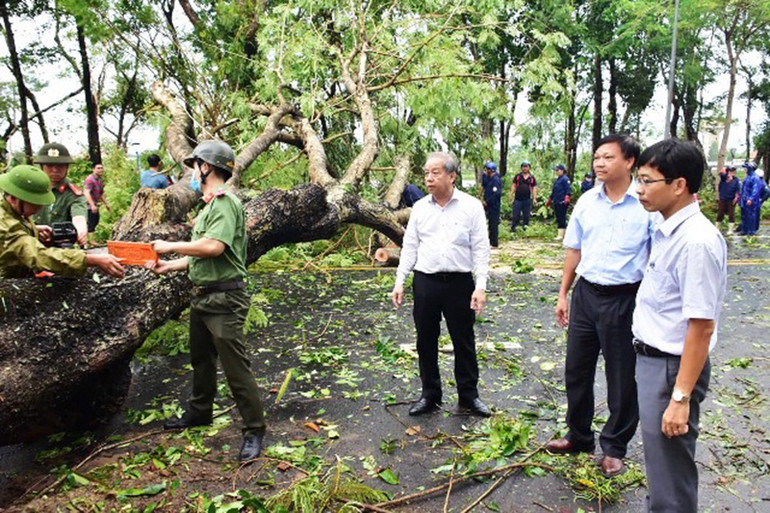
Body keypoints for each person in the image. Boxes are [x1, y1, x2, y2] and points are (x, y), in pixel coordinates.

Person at [146, 140, 266, 462]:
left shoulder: (224, 203)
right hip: (202, 296)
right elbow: (201, 255)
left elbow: (214, 247)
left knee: (235, 368)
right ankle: (200, 412)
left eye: (194, 166)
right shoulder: (209, 207)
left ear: (207, 167)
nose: (192, 174)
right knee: (201, 361)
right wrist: (169, 265)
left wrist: (170, 246)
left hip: (224, 298)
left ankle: (254, 429)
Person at [549, 134, 652, 478]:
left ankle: (614, 447)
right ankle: (579, 436)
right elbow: (574, 250)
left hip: (625, 298)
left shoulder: (645, 204)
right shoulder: (587, 201)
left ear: (629, 162)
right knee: (576, 368)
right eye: (596, 157)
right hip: (586, 294)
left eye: (608, 157)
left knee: (622, 376)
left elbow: (658, 257)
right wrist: (563, 293)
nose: (599, 163)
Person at [632, 138, 727, 512]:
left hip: (672, 369)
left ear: (679, 185)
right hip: (655, 363)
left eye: (647, 180)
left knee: (670, 473)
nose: (639, 189)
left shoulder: (696, 242)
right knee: (660, 466)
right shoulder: (666, 227)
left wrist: (680, 398)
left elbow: (701, 327)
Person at [391, 152, 491, 418]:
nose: (429, 178)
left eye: (435, 172)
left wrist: (480, 286)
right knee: (425, 339)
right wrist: (400, 281)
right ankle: (430, 394)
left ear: (452, 176)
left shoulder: (471, 207)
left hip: (460, 283)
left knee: (464, 340)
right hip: (426, 282)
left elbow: (481, 248)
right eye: (426, 173)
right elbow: (410, 247)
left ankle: (469, 396)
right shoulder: (420, 208)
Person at [0, 165, 125, 278]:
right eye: (35, 204)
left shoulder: (11, 209)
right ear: (14, 199)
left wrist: (34, 230)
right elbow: (38, 255)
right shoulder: (5, 225)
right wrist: (91, 260)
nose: (39, 209)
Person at [32, 142, 88, 247]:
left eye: (60, 165)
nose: (55, 170)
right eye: (49, 165)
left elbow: (79, 215)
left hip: (60, 247)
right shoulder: (30, 189)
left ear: (67, 168)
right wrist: (33, 230)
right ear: (41, 167)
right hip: (30, 244)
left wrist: (81, 231)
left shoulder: (72, 193)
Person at [84, 163, 113, 234]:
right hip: (88, 206)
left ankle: (92, 238)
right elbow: (86, 192)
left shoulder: (99, 180)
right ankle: (89, 239)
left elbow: (101, 193)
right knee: (90, 224)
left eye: (101, 168)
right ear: (94, 169)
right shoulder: (90, 179)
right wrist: (92, 205)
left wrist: (107, 204)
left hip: (95, 205)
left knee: (95, 222)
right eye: (98, 168)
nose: (100, 170)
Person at [510, 161, 537, 232]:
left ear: (529, 168)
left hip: (527, 199)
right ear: (521, 168)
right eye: (523, 167)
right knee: (515, 214)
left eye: (526, 167)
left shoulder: (531, 178)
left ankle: (525, 228)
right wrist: (511, 195)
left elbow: (534, 188)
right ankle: (514, 228)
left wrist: (534, 198)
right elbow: (514, 185)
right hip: (517, 199)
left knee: (526, 215)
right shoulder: (518, 176)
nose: (525, 168)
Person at [481, 161, 502, 248]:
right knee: (490, 223)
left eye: (487, 169)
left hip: (494, 205)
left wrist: (487, 202)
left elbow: (496, 194)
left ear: (490, 170)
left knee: (493, 224)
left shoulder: (496, 180)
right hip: (489, 205)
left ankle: (494, 243)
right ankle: (490, 241)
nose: (485, 171)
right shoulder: (489, 178)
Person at [738, 162, 763, 235]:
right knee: (744, 215)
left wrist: (751, 199)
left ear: (750, 168)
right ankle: (744, 230)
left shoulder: (755, 178)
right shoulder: (748, 177)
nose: (744, 169)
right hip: (744, 200)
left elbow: (756, 190)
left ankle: (751, 231)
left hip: (751, 201)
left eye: (745, 168)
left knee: (751, 215)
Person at [547, 164, 571, 241]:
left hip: (562, 201)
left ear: (562, 170)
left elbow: (568, 190)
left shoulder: (565, 179)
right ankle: (562, 234)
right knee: (558, 217)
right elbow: (554, 191)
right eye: (555, 170)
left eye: (557, 170)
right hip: (556, 201)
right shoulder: (557, 180)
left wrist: (567, 198)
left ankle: (561, 235)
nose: (556, 171)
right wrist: (550, 199)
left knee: (562, 217)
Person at [715, 166, 740, 232]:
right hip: (723, 198)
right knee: (720, 213)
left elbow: (738, 189)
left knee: (731, 214)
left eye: (734, 171)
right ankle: (717, 228)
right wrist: (727, 176)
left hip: (731, 199)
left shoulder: (736, 180)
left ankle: (730, 230)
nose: (733, 173)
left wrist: (736, 197)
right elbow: (720, 173)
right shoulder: (723, 178)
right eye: (731, 171)